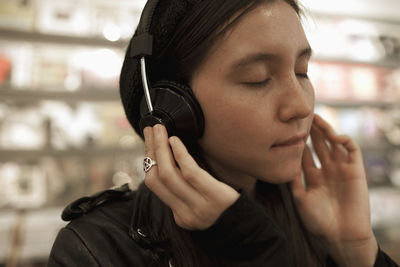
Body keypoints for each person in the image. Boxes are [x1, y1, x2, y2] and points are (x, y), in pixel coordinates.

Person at [48, 0, 399, 266]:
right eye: (258, 78)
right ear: (171, 103)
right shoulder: (96, 248)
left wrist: (358, 252)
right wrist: (251, 247)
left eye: (302, 71)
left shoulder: (318, 218)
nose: (301, 106)